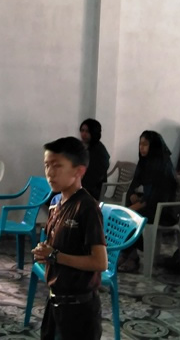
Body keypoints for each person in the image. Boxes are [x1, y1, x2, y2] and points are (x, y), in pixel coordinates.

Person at [32, 136, 107, 340]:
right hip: (55, 301)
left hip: (79, 308)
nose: (50, 172)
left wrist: (55, 255)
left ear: (78, 171)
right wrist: (46, 251)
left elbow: (100, 262)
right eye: (47, 165)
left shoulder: (87, 207)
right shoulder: (57, 203)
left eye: (57, 166)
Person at [118, 130, 178, 272]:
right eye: (140, 144)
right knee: (125, 214)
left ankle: (131, 256)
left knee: (129, 217)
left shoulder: (163, 166)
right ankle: (129, 253)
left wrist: (136, 206)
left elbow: (158, 196)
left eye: (145, 144)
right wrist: (132, 194)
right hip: (146, 204)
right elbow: (135, 183)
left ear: (154, 146)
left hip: (161, 210)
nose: (142, 148)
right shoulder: (144, 162)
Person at [79, 118, 111, 199]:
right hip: (80, 184)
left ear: (94, 133)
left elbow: (92, 178)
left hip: (94, 189)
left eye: (87, 131)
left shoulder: (99, 151)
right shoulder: (82, 146)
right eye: (82, 130)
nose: (84, 134)